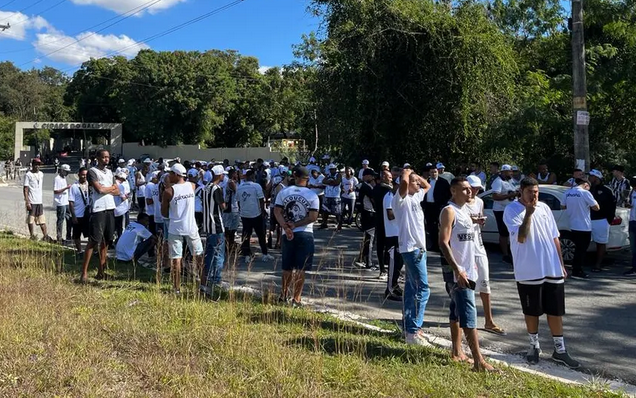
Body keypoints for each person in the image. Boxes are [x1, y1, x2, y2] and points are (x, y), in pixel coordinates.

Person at [504, 177, 580, 369]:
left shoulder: (545, 208)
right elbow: (521, 237)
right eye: (530, 192)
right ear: (521, 191)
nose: (534, 196)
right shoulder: (512, 210)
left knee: (555, 311)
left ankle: (560, 350)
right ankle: (534, 346)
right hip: (528, 270)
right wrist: (528, 214)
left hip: (551, 268)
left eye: (536, 192)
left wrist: (561, 264)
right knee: (532, 311)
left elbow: (555, 237)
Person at [439, 177, 496, 371]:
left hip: (469, 269)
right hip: (458, 272)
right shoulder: (449, 211)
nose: (469, 192)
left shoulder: (464, 211)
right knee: (469, 313)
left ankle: (456, 351)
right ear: (453, 191)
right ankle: (479, 360)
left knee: (456, 311)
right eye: (464, 189)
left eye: (469, 189)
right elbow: (443, 242)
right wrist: (458, 270)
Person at [392, 167, 431, 346]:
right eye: (414, 182)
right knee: (423, 288)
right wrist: (406, 174)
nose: (417, 184)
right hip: (411, 248)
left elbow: (428, 186)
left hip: (419, 248)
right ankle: (413, 332)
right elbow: (405, 183)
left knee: (411, 290)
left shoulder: (416, 197)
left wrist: (416, 175)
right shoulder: (400, 200)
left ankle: (409, 327)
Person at [274, 166, 320, 306]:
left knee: (287, 267)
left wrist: (285, 226)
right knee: (301, 268)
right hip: (305, 232)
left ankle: (283, 295)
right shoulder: (312, 195)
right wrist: (297, 224)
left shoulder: (283, 192)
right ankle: (296, 298)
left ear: (295, 176)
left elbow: (277, 211)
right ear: (307, 179)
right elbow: (313, 217)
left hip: (287, 233)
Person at [466, 175, 505, 335]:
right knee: (466, 287)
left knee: (485, 285)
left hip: (479, 247)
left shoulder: (480, 202)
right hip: (465, 250)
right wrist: (472, 220)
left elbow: (479, 221)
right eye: (472, 187)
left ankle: (489, 321)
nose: (475, 191)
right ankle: (467, 321)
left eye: (477, 188)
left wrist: (480, 221)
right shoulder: (455, 205)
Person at [161, 163, 204, 294]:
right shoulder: (192, 186)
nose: (168, 176)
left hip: (175, 228)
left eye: (170, 173)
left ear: (175, 174)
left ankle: (176, 288)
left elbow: (164, 213)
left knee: (176, 259)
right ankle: (202, 284)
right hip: (191, 227)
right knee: (198, 255)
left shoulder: (168, 191)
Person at [80, 150, 120, 283]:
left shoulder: (110, 172)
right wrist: (110, 188)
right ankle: (84, 272)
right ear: (98, 158)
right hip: (98, 209)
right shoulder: (92, 171)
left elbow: (118, 191)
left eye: (108, 157)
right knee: (94, 240)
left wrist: (107, 188)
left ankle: (101, 271)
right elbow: (99, 189)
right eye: (103, 157)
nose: (106, 159)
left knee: (106, 241)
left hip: (110, 208)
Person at [563, 178, 599, 279]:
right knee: (582, 250)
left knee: (577, 248)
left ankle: (576, 269)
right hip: (584, 226)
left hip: (573, 225)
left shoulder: (567, 192)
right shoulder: (585, 193)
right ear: (586, 185)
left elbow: (562, 206)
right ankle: (577, 271)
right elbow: (596, 207)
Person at [200, 165, 227, 295]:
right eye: (223, 174)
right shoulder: (217, 189)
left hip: (207, 224)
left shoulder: (205, 187)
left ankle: (208, 277)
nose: (224, 176)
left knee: (209, 253)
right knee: (219, 254)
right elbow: (223, 206)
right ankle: (216, 279)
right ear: (219, 175)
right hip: (216, 224)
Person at [237, 170, 274, 262]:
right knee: (261, 234)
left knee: (246, 235)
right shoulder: (256, 186)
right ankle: (265, 254)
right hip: (256, 214)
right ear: (253, 177)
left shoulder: (240, 187)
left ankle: (246, 255)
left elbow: (238, 201)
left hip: (245, 214)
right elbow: (261, 200)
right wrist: (263, 211)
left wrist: (241, 210)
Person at [588, 169, 616, 273]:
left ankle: (598, 265)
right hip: (588, 220)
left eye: (591, 176)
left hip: (601, 220)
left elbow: (612, 207)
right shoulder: (588, 190)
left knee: (601, 243)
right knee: (584, 242)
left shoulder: (606, 191)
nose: (589, 178)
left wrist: (609, 220)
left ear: (596, 178)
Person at [491, 164, 517, 264]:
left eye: (511, 171)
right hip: (501, 210)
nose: (511, 173)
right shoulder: (498, 181)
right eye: (509, 171)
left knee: (512, 231)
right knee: (504, 232)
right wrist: (512, 195)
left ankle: (512, 252)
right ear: (503, 172)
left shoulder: (511, 180)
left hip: (511, 209)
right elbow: (495, 196)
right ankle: (505, 255)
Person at [383, 177, 403, 301]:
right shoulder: (390, 197)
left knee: (399, 263)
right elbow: (390, 215)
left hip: (400, 234)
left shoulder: (398, 197)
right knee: (393, 263)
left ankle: (395, 285)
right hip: (392, 234)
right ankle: (389, 290)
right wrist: (403, 213)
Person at [423, 166, 451, 252]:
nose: (433, 174)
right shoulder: (426, 182)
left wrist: (443, 204)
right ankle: (434, 245)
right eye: (431, 172)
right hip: (428, 206)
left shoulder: (443, 182)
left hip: (439, 207)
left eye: (435, 172)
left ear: (438, 172)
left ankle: (444, 245)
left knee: (442, 226)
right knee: (431, 226)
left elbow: (448, 195)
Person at [23, 158, 51, 241]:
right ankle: (32, 236)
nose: (38, 166)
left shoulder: (41, 174)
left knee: (42, 219)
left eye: (39, 165)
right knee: (31, 219)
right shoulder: (28, 175)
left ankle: (45, 236)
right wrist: (27, 201)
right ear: (32, 165)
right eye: (36, 164)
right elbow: (25, 188)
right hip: (32, 200)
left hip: (39, 200)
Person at [373, 170, 394, 280]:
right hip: (385, 220)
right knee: (387, 245)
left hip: (379, 218)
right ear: (382, 177)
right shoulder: (387, 190)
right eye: (388, 177)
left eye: (391, 177)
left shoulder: (375, 188)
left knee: (382, 245)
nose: (391, 179)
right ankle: (386, 270)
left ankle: (384, 269)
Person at [355, 168, 376, 269]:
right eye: (371, 176)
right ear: (366, 176)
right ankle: (369, 262)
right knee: (370, 239)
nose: (373, 178)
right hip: (369, 213)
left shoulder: (360, 186)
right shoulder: (366, 187)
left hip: (364, 213)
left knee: (367, 238)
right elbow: (373, 200)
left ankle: (361, 258)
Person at [69, 167, 90, 254]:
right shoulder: (74, 187)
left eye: (86, 175)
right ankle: (79, 250)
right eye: (82, 174)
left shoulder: (90, 184)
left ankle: (91, 250)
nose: (84, 176)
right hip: (78, 214)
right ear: (78, 175)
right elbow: (71, 202)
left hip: (87, 213)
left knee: (90, 233)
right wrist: (73, 216)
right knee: (77, 234)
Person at [222, 169, 240, 258]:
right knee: (228, 229)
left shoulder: (233, 182)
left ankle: (231, 246)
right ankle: (227, 246)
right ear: (233, 174)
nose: (237, 175)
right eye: (236, 173)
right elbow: (238, 192)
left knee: (233, 229)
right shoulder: (231, 182)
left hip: (234, 208)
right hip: (230, 208)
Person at [320, 163, 343, 230]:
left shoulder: (338, 175)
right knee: (325, 210)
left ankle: (339, 224)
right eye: (330, 169)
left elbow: (337, 182)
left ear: (335, 169)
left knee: (337, 211)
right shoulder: (328, 175)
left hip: (335, 196)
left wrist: (330, 181)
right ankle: (324, 223)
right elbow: (323, 181)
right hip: (327, 195)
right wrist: (331, 181)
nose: (331, 171)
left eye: (333, 169)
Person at [53, 164, 73, 243]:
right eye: (66, 172)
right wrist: (66, 188)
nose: (67, 173)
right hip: (60, 202)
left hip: (66, 201)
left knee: (69, 219)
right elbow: (56, 191)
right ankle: (59, 237)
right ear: (62, 170)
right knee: (60, 220)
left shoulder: (63, 178)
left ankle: (68, 236)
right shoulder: (57, 179)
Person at [113, 172, 130, 243]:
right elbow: (123, 198)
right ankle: (120, 242)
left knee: (114, 227)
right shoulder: (121, 186)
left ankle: (112, 241)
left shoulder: (112, 185)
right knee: (121, 228)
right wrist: (126, 196)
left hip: (113, 208)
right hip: (121, 209)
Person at [624, 177, 636, 277]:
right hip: (632, 221)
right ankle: (634, 268)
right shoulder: (632, 193)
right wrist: (628, 204)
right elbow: (629, 203)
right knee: (633, 247)